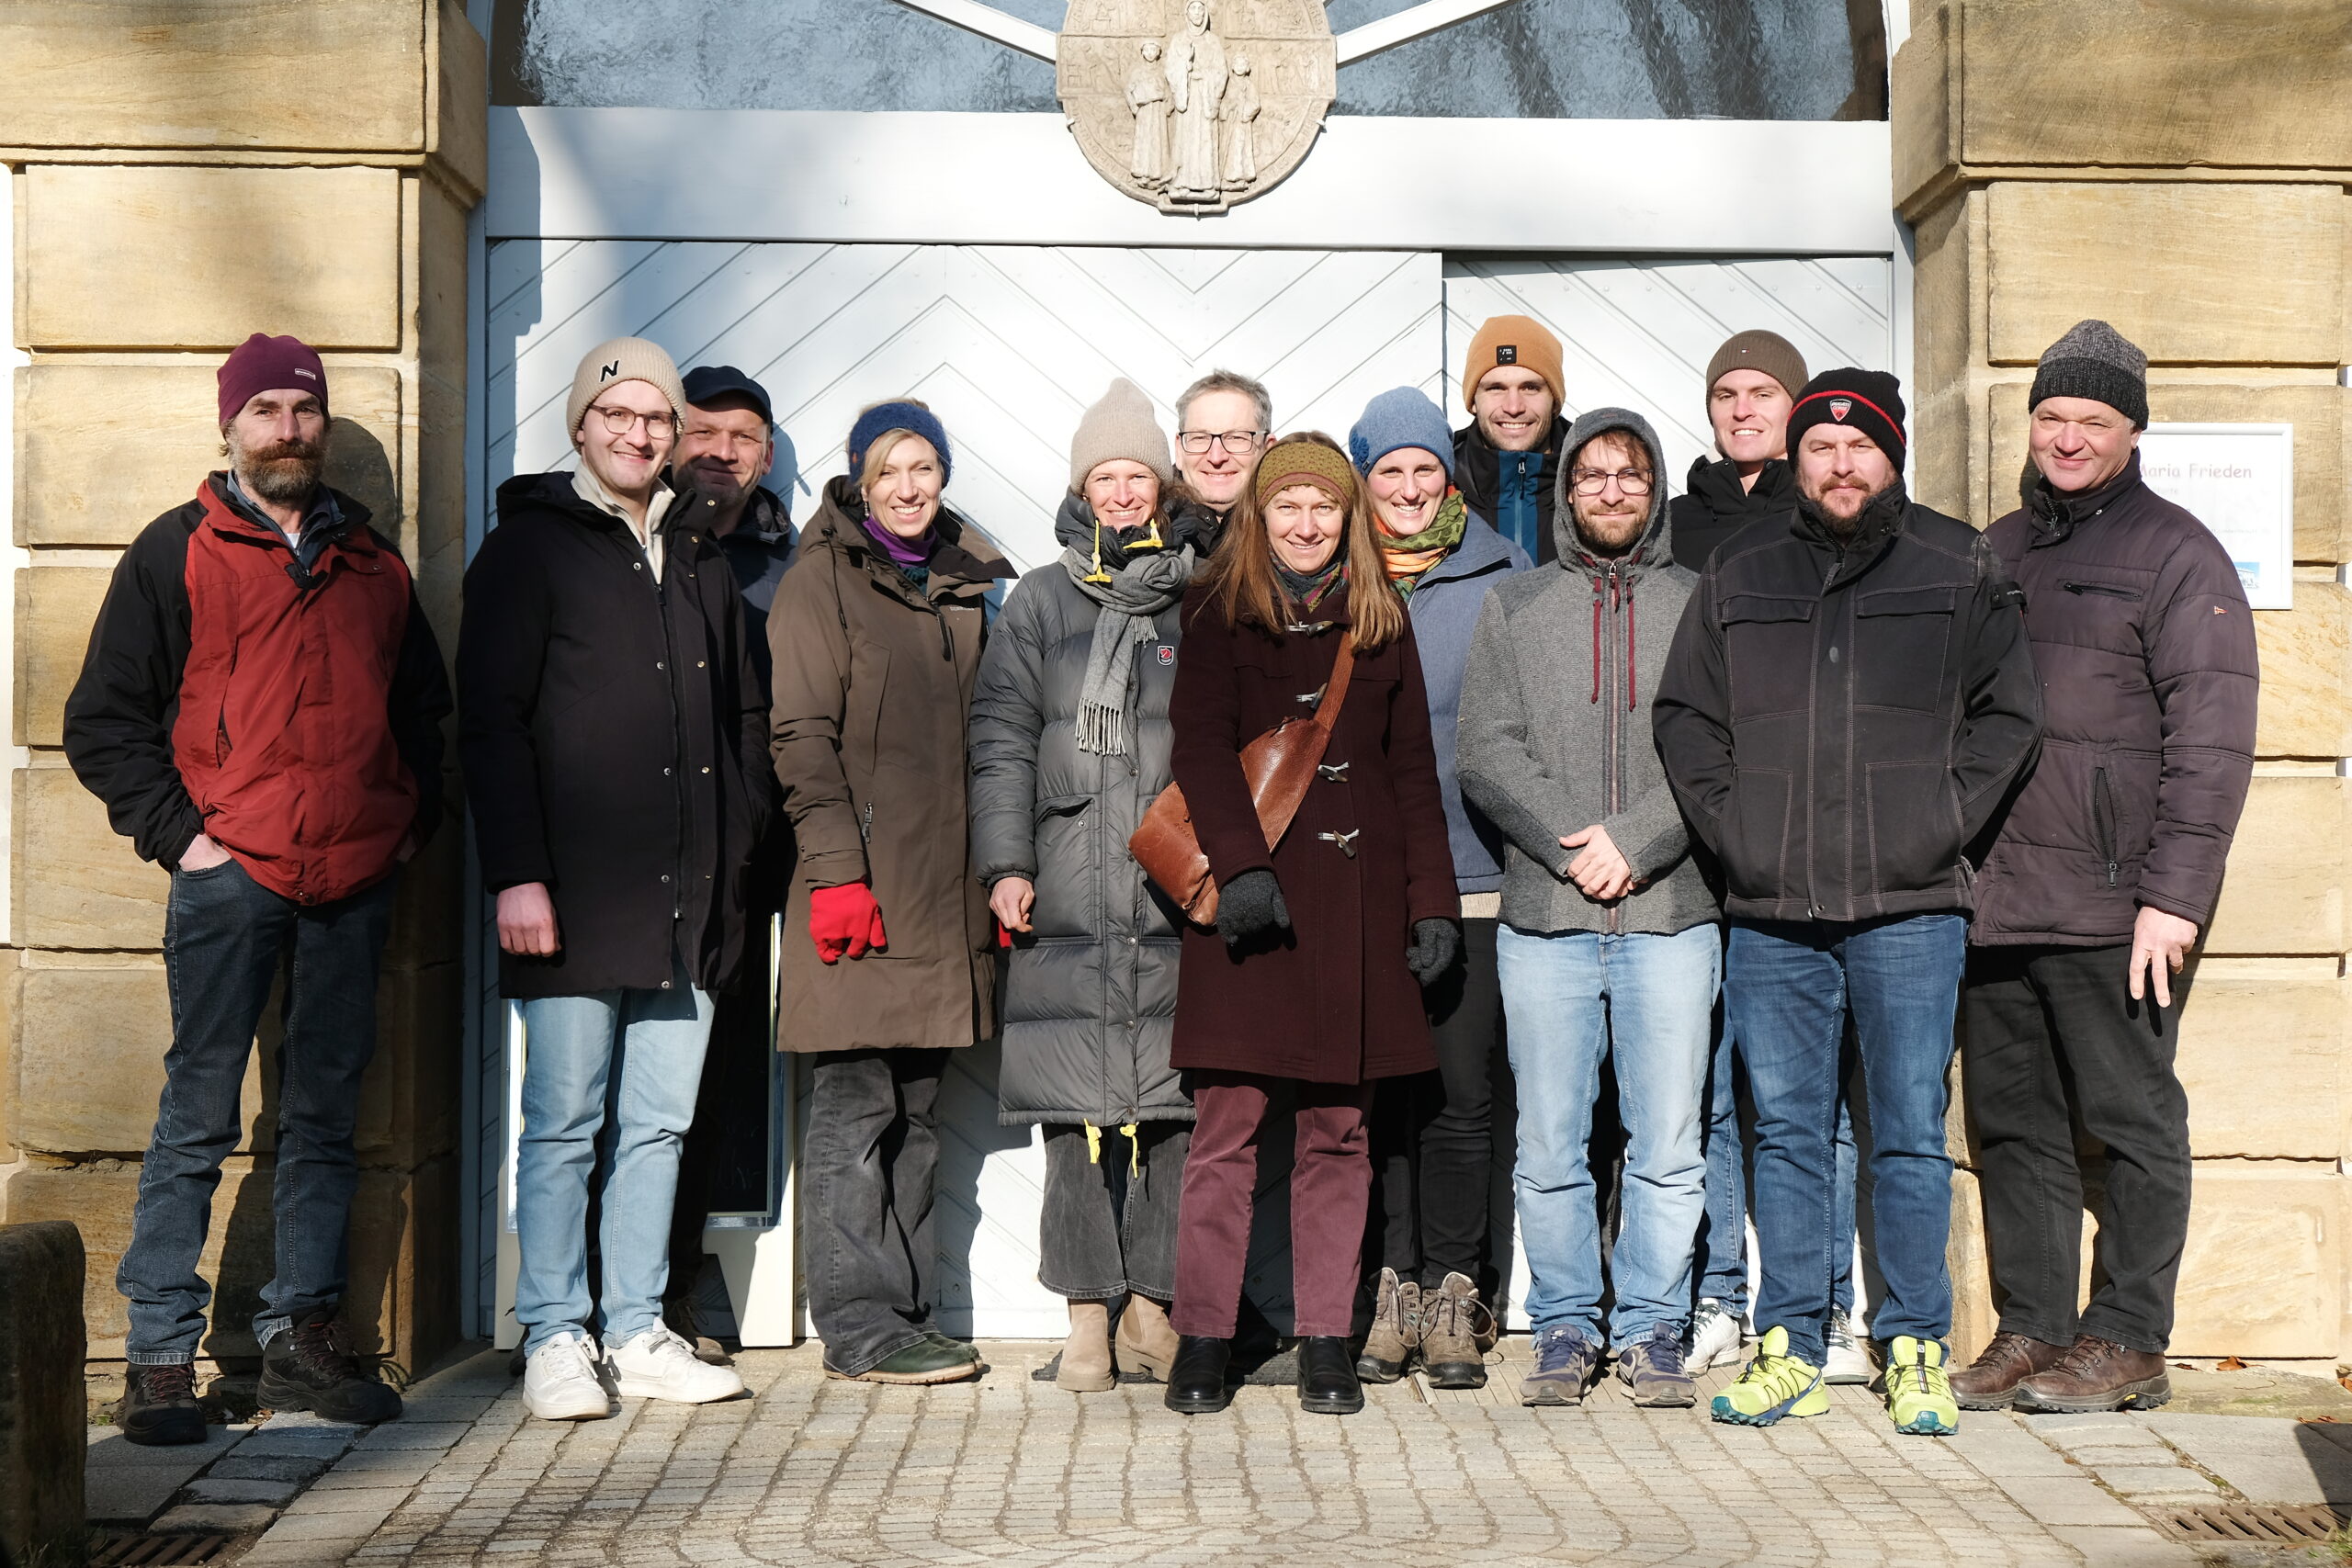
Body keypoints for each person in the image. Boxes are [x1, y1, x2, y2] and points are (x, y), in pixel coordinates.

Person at [64, 333, 449, 1444]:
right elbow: (102, 720)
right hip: (229, 878)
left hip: (353, 880)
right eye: (268, 408)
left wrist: (408, 823)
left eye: (305, 410)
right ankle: (156, 1360)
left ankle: (297, 1341)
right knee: (197, 1113)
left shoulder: (374, 567)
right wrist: (184, 839)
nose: (288, 427)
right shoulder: (176, 551)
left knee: (324, 1119)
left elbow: (424, 714)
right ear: (229, 423)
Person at [1654, 368, 2042, 1436]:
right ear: (1794, 459)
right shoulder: (1740, 565)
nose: (1838, 464)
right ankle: (1789, 1339)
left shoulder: (1955, 560)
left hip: (1911, 904)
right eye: (1819, 447)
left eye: (1858, 446)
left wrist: (1937, 821)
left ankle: (1912, 1342)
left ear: (1892, 454)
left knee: (1909, 1134)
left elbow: (2009, 715)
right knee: (1783, 1132)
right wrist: (1738, 829)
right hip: (1774, 909)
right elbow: (1687, 716)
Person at [1953, 321, 2257, 1416]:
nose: (2067, 438)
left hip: (2114, 901)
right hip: (1993, 901)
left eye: (2091, 420)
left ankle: (2127, 1337)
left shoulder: (2179, 554)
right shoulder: (1992, 549)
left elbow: (2214, 739)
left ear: (2132, 431)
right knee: (2015, 1127)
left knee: (2129, 1122)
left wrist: (2172, 898)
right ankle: (2032, 1327)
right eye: (2050, 417)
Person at [459, 336, 765, 1421]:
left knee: (658, 1126)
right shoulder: (529, 552)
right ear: (582, 425)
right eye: (618, 415)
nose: (638, 435)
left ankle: (635, 1328)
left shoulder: (700, 558)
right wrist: (517, 876)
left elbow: (741, 723)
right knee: (564, 1123)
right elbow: (489, 725)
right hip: (573, 895)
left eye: (655, 419)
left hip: (688, 897)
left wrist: (735, 852)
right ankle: (554, 1331)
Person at [1159, 435, 1458, 1417]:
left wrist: (1430, 905)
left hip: (1356, 913)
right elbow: (1199, 750)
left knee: (1339, 1135)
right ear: (1259, 513)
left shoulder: (1380, 620)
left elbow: (1413, 775)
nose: (1304, 523)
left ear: (1347, 517)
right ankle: (1202, 1338)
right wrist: (1241, 870)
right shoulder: (1215, 607)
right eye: (1286, 504)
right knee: (1225, 1133)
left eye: (1321, 507)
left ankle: (1324, 1338)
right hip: (1249, 913)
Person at [1457, 408, 1719, 1409]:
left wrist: (1640, 843)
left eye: (1629, 475)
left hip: (1671, 916)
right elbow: (1487, 748)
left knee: (1666, 1144)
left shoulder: (1702, 603)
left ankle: (1654, 1329)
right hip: (1546, 920)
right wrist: (1579, 847)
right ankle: (1564, 1325)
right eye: (1591, 475)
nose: (1610, 491)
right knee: (1551, 1144)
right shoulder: (1515, 607)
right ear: (1565, 490)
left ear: (1651, 493)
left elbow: (1719, 748)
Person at [767, 400, 1011, 1384]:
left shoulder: (965, 582)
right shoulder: (820, 581)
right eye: (888, 471)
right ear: (858, 483)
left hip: (940, 897)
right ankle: (859, 1326)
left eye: (924, 468)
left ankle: (906, 1313)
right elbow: (799, 738)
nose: (909, 488)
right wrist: (834, 874)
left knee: (915, 1108)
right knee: (855, 1106)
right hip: (860, 888)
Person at [970, 380, 1197, 1393]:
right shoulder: (1037, 600)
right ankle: (1085, 1321)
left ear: (1159, 485)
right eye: (1101, 475)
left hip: (1169, 889)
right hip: (1065, 885)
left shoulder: (1199, 594)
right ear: (1081, 486)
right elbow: (1001, 740)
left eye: (1133, 474)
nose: (1117, 492)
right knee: (1072, 1115)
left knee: (1175, 1108)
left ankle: (1153, 1306)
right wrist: (1007, 864)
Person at [1667, 330, 1870, 1388]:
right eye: (1728, 393)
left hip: (1804, 855)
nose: (1744, 408)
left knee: (1810, 1099)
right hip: (1700, 852)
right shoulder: (1676, 526)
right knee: (1713, 1096)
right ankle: (1718, 1297)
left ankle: (1828, 1304)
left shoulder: (1820, 526)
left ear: (1797, 411)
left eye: (1764, 393)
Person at [1342, 388, 1530, 1390]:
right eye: (1389, 473)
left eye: (1425, 471)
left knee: (1461, 1096)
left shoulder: (1504, 569)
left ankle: (1455, 1288)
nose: (1410, 491)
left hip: (1474, 876)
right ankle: (1390, 1287)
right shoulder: (1335, 570)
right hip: (1361, 880)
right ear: (1363, 480)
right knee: (1380, 1095)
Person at [660, 365, 801, 1357]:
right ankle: (618, 1288)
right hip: (645, 860)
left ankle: (685, 1273)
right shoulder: (637, 546)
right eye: (702, 430)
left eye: (743, 436)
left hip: (754, 863)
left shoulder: (789, 561)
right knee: (629, 1086)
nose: (721, 450)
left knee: (715, 1080)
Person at [1454, 315, 1571, 565]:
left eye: (1530, 387)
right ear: (1473, 401)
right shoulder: (1439, 484)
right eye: (1496, 388)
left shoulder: (1596, 482)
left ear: (1554, 400)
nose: (1514, 407)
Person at [1170, 369, 1272, 550]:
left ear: (1267, 448)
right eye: (1200, 438)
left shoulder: (1296, 533)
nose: (1216, 457)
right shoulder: (1143, 522)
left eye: (1236, 438)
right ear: (1179, 449)